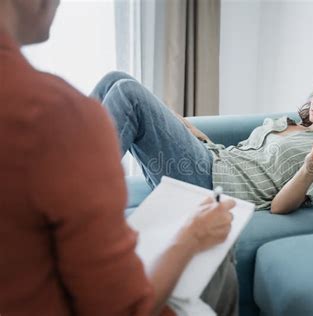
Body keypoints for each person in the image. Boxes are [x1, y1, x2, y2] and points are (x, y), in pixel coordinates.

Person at [0, 1, 238, 315]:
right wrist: (192, 236)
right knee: (119, 81)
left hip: (224, 177)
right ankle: (88, 191)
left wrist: (312, 165)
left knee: (125, 91)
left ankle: (88, 192)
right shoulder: (55, 113)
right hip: (216, 156)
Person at [92, 66, 313, 214]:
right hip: (210, 160)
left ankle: (75, 192)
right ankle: (58, 170)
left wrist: (310, 169)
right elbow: (237, 155)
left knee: (128, 92)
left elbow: (280, 207)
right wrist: (188, 132)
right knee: (115, 79)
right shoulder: (290, 124)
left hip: (210, 187)